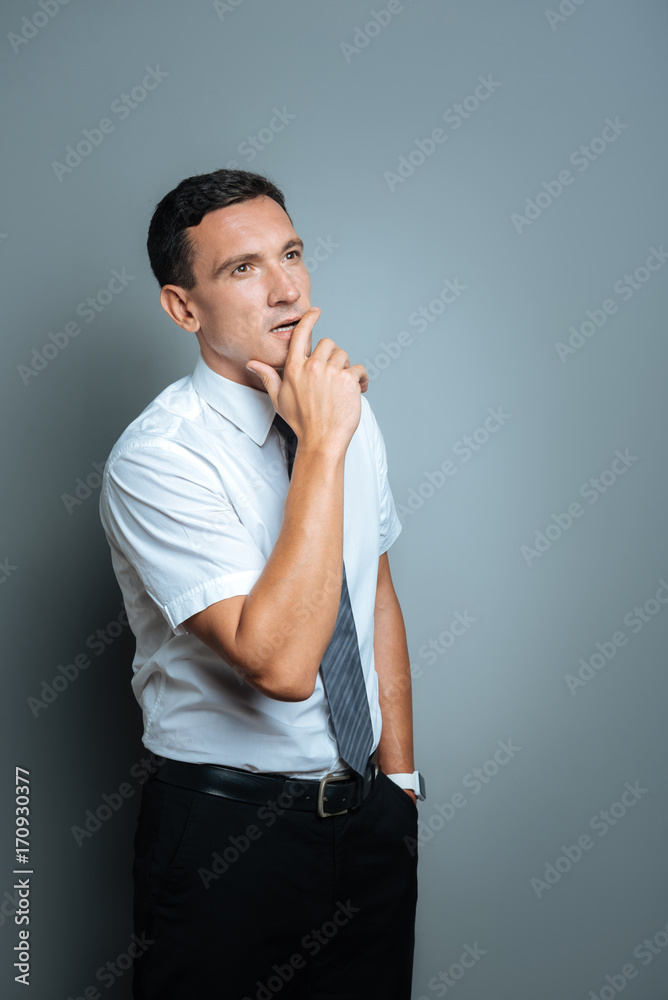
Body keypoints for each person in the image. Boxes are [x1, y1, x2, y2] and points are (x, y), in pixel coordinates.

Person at [99, 168, 424, 999]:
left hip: (370, 818)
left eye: (291, 254)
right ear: (184, 308)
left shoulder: (344, 413)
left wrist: (400, 783)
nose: (285, 289)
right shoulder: (158, 457)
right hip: (225, 835)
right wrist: (323, 447)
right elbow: (279, 665)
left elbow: (373, 594)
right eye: (243, 269)